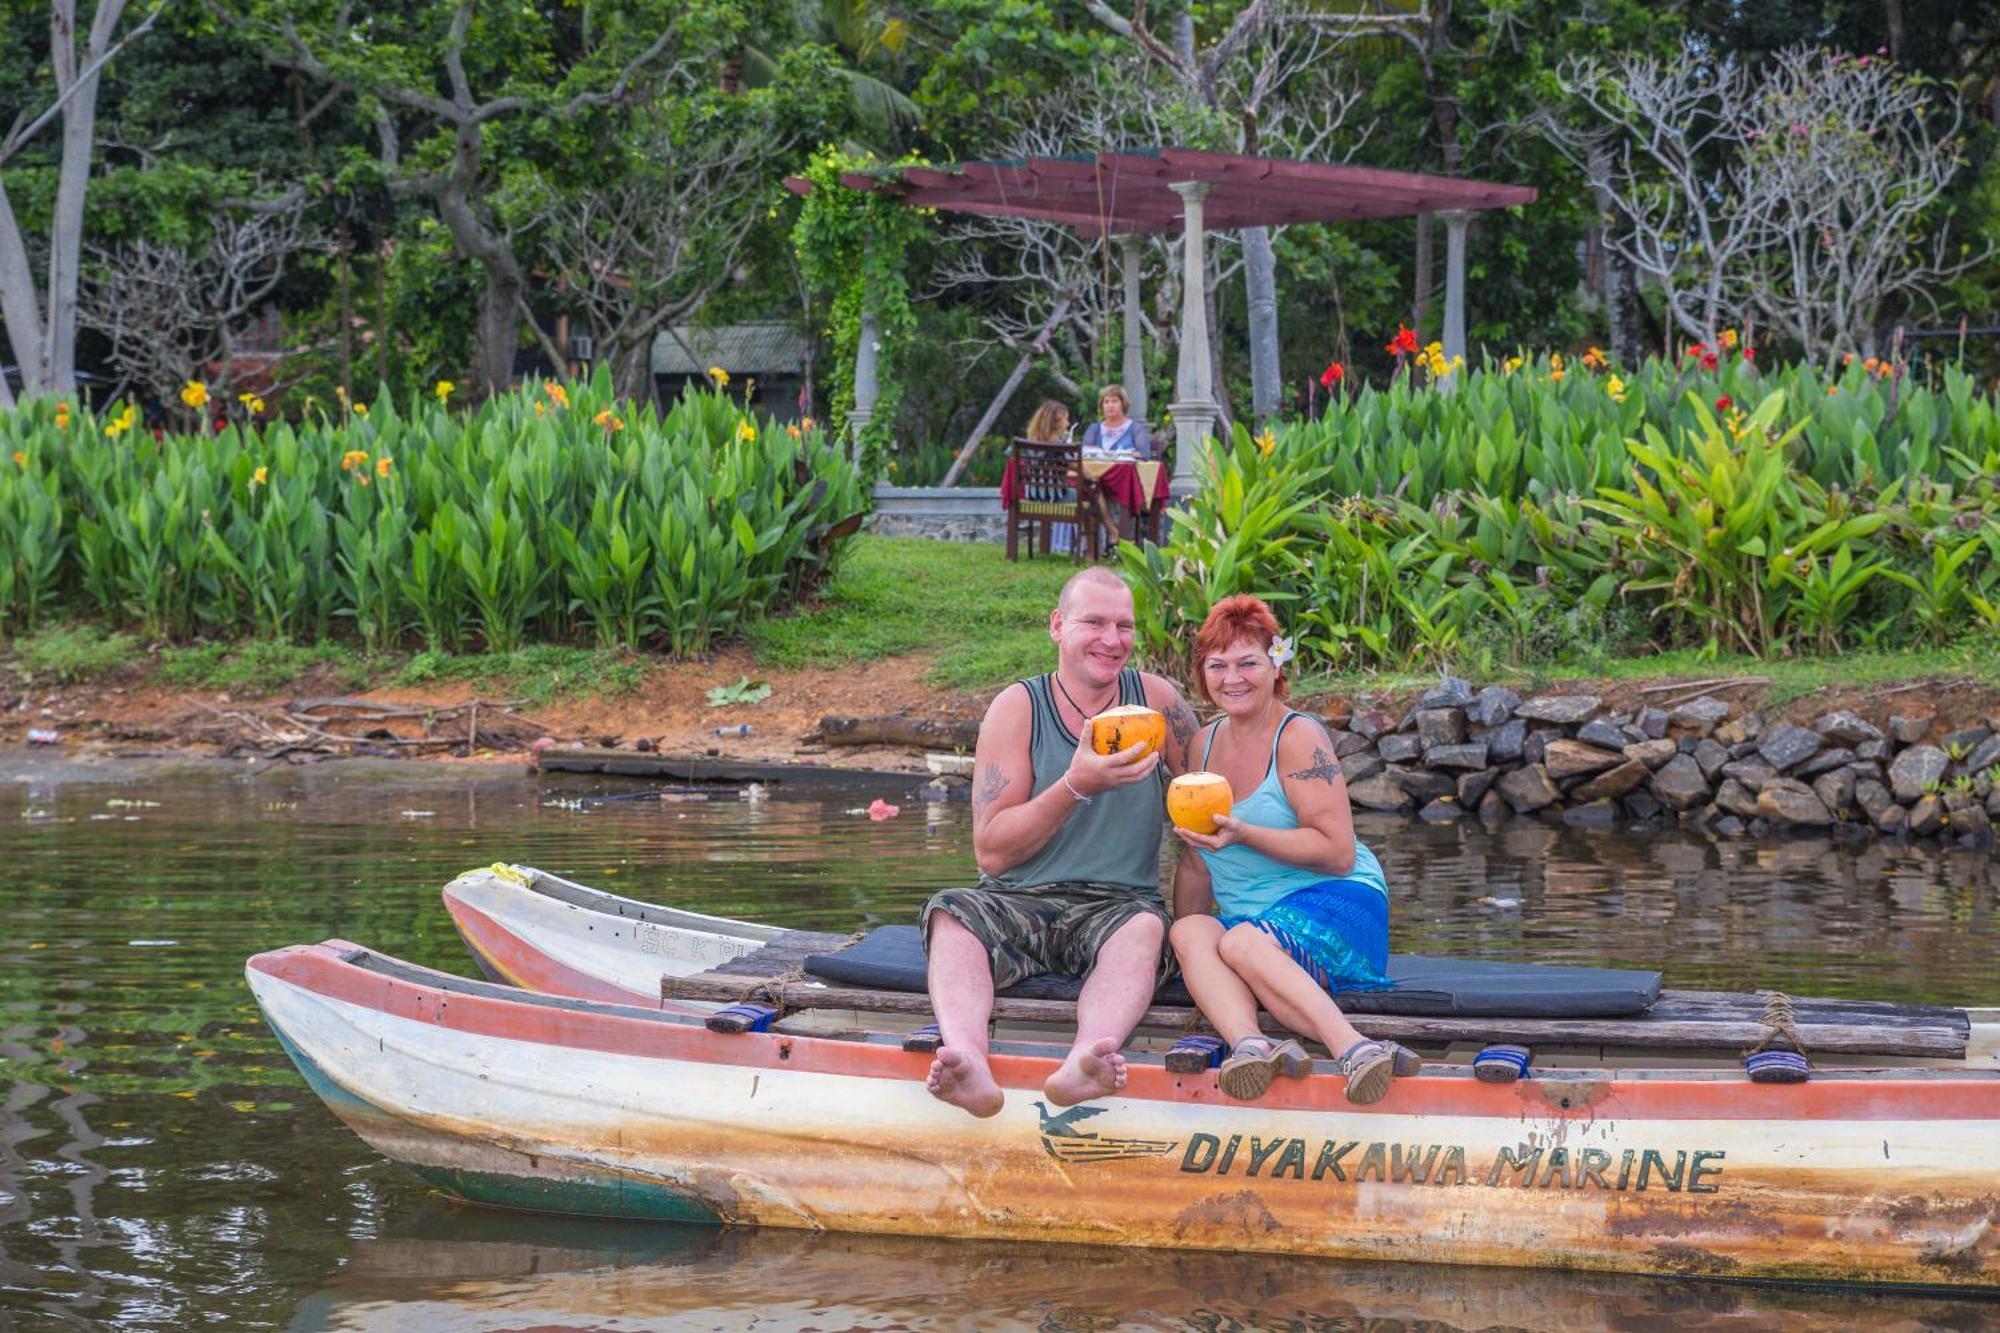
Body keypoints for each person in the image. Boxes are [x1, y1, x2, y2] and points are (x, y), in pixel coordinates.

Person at [923, 566, 1200, 1118]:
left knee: (1147, 926)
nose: (1111, 639)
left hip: (1117, 906)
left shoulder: (1157, 701)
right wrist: (1076, 785)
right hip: (1017, 900)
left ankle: (1088, 1060)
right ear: (1057, 626)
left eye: (1124, 625)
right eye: (1093, 622)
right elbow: (992, 852)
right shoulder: (1018, 708)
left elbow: (1207, 793)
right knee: (951, 912)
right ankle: (969, 1061)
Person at [1167, 594, 1416, 1105]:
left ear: (1275, 667)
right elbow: (1196, 860)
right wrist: (1187, 960)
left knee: (1238, 944)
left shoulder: (1299, 736)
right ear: (1202, 673)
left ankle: (1358, 1050)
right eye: (1217, 666)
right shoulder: (1202, 746)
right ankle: (1253, 1048)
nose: (1231, 678)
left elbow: (1337, 852)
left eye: (1247, 663)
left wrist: (1245, 833)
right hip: (1257, 928)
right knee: (1190, 931)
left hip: (1339, 901)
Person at [1078, 385, 1152, 541]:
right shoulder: (1094, 429)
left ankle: (1120, 537)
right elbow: (1085, 453)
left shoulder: (1135, 429)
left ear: (1123, 404)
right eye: (1106, 402)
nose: (1110, 405)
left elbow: (1144, 454)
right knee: (1092, 485)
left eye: (1114, 401)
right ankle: (1111, 534)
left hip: (1124, 481)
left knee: (1095, 486)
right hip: (1095, 479)